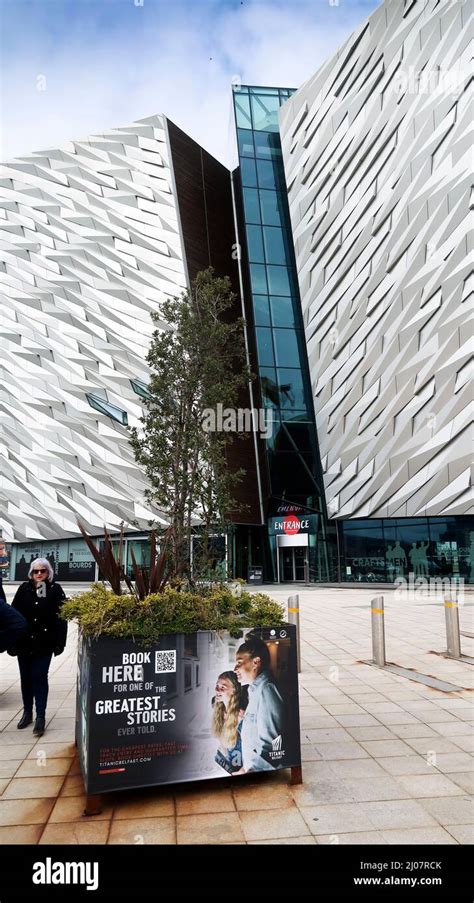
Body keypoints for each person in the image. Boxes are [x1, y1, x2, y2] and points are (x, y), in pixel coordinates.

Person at [10, 558, 67, 736]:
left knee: (39, 677)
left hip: (44, 643)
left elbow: (62, 617)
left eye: (43, 571)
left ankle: (40, 716)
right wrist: (11, 641)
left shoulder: (55, 590)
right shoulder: (23, 589)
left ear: (49, 572)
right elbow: (13, 615)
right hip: (25, 642)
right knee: (26, 678)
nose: (39, 574)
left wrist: (60, 643)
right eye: (36, 571)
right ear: (31, 573)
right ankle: (28, 712)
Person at [232, 635, 284, 774]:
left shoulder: (267, 690)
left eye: (239, 662)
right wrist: (243, 769)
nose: (235, 668)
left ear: (256, 662)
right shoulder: (255, 691)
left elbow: (272, 746)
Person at [211, 671, 247, 774]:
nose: (217, 690)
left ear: (234, 690)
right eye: (217, 685)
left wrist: (243, 770)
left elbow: (252, 749)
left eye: (223, 687)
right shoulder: (219, 708)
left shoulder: (242, 716)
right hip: (228, 764)